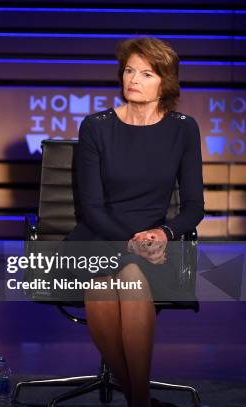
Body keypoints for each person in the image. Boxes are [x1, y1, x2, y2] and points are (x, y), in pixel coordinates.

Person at [65, 37, 204, 407]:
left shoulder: (183, 129)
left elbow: (194, 207)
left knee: (130, 275)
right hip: (97, 236)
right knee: (101, 283)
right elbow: (91, 209)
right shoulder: (96, 126)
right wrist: (131, 242)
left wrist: (164, 234)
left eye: (146, 73)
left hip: (156, 243)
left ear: (166, 82)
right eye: (129, 70)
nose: (134, 79)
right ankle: (140, 400)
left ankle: (135, 398)